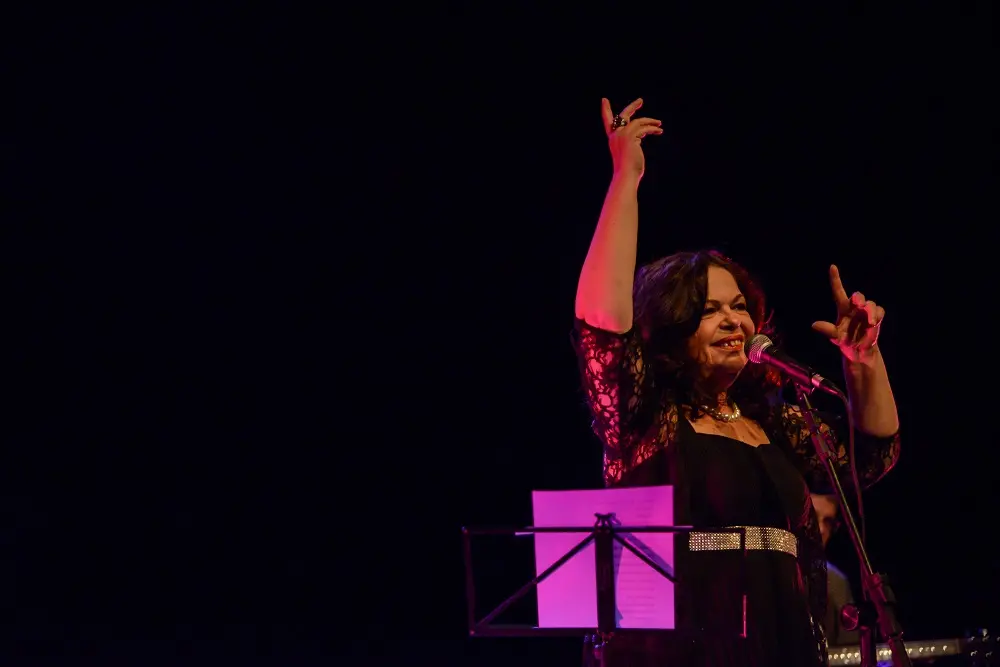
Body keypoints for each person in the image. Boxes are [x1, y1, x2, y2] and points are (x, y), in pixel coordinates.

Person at [571, 97, 901, 667]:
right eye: (709, 311)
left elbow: (870, 456)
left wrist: (863, 359)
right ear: (672, 329)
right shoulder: (648, 420)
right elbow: (601, 324)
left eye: (739, 306)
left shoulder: (772, 422)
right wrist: (626, 179)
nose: (734, 321)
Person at [812, 493, 860, 647]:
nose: (821, 529)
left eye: (828, 522)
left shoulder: (836, 581)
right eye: (812, 517)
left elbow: (850, 652)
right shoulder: (768, 571)